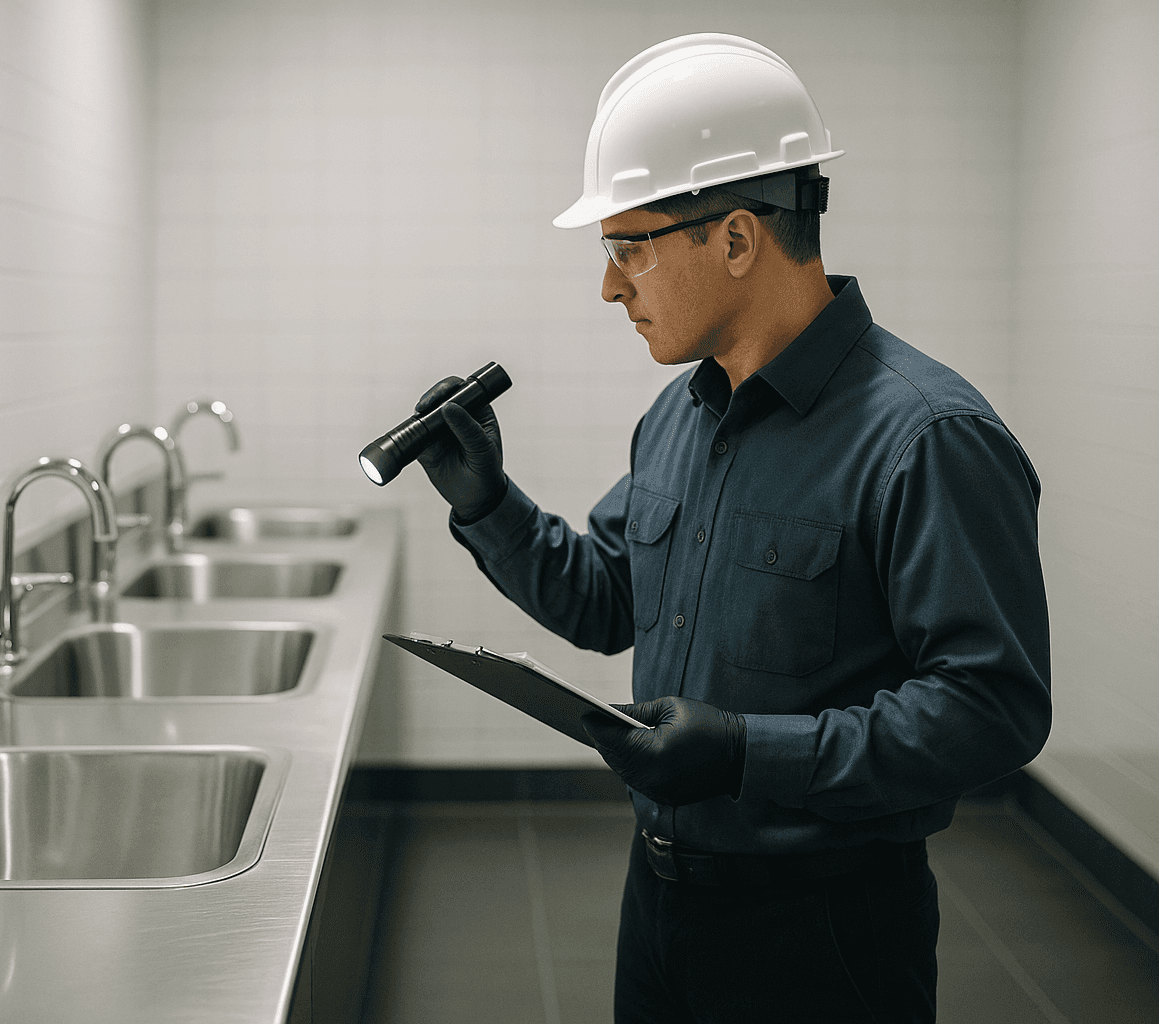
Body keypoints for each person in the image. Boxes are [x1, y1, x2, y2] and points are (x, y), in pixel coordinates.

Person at [411, 33, 1051, 1024]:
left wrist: (752, 753)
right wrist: (487, 502)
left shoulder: (928, 436)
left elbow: (992, 707)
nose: (610, 287)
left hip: (825, 930)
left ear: (738, 237)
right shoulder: (679, 414)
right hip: (661, 899)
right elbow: (607, 598)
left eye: (629, 249)